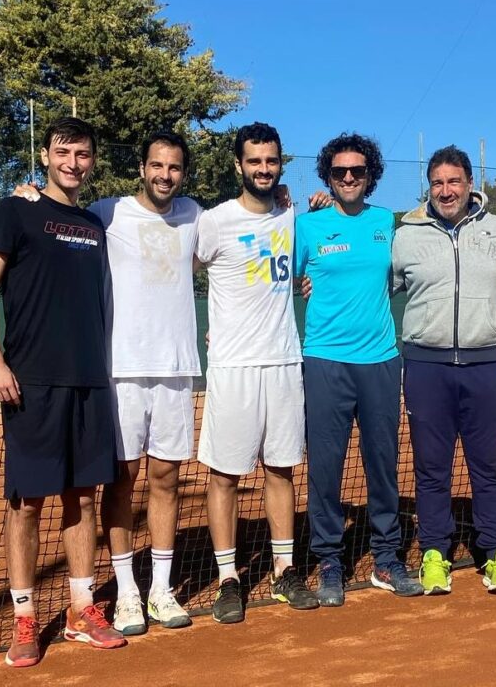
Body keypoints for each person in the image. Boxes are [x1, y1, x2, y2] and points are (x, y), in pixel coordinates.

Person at [0, 117, 125, 668]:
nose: (73, 163)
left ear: (92, 160)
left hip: (90, 381)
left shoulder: (93, 223)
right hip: (30, 382)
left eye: (82, 154)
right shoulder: (15, 210)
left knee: (84, 497)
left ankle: (83, 611)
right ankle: (25, 618)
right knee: (27, 505)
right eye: (63, 152)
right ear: (44, 154)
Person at [196, 121, 319, 623]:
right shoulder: (214, 221)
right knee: (224, 474)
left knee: (281, 469)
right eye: (254, 161)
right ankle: (229, 577)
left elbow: (291, 270)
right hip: (233, 367)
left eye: (271, 161)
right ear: (238, 165)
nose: (263, 169)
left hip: (285, 361)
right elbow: (176, 273)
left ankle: (284, 570)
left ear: (279, 164)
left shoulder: (293, 217)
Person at [295, 132, 423, 607]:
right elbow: (278, 278)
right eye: (339, 172)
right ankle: (330, 560)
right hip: (325, 360)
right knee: (325, 468)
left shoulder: (388, 224)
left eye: (357, 171)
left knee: (383, 465)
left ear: (371, 177)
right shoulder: (308, 226)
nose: (348, 178)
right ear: (327, 175)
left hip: (381, 362)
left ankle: (387, 558)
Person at [392, 145, 496, 596]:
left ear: (469, 185)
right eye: (438, 183)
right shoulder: (406, 234)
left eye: (454, 181)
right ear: (429, 187)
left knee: (489, 469)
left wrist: (484, 316)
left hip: (486, 366)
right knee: (431, 470)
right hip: (426, 369)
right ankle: (434, 555)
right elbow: (380, 283)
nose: (446, 191)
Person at [94, 132, 201, 634]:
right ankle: (126, 593)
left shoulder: (196, 215)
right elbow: (58, 219)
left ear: (183, 173)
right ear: (141, 168)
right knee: (120, 479)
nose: (165, 175)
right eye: (156, 166)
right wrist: (30, 194)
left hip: (177, 370)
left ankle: (160, 589)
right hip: (122, 371)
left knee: (167, 479)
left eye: (174, 167)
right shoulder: (107, 212)